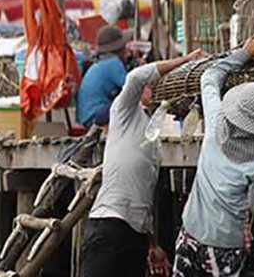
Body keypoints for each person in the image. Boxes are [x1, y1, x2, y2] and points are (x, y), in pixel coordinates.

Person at [173, 39, 254, 276]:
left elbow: (209, 77)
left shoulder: (217, 124)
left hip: (191, 232)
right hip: (226, 242)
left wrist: (243, 54)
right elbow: (253, 204)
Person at [80, 48, 203, 277]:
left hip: (136, 233)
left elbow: (143, 198)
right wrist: (185, 60)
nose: (153, 88)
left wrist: (152, 244)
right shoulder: (124, 110)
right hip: (109, 224)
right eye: (152, 84)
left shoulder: (153, 132)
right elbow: (136, 77)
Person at [76, 26, 134, 128]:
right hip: (95, 115)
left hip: (86, 116)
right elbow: (132, 84)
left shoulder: (101, 62)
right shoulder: (113, 63)